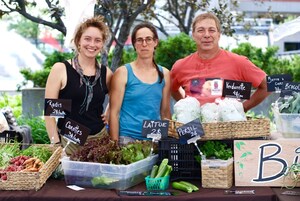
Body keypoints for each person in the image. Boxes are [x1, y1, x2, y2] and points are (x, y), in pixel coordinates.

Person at [170, 12, 270, 112]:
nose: (206, 35)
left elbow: (268, 85)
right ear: (193, 35)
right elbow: (173, 89)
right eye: (201, 30)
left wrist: (243, 108)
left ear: (219, 35)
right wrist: (187, 107)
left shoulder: (238, 62)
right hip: (193, 126)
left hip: (227, 126)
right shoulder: (180, 66)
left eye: (212, 30)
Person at [44, 16, 113, 155]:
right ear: (78, 41)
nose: (92, 44)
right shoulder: (61, 69)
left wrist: (109, 111)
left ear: (102, 44)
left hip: (99, 140)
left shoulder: (107, 73)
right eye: (87, 38)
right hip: (69, 142)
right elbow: (49, 113)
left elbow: (117, 97)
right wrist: (55, 144)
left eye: (97, 40)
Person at [109, 22, 171, 145]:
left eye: (148, 39)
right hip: (127, 139)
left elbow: (165, 113)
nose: (144, 44)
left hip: (155, 139)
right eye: (139, 40)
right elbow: (113, 113)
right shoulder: (123, 73)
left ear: (155, 42)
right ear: (134, 44)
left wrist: (166, 142)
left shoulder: (164, 74)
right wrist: (114, 146)